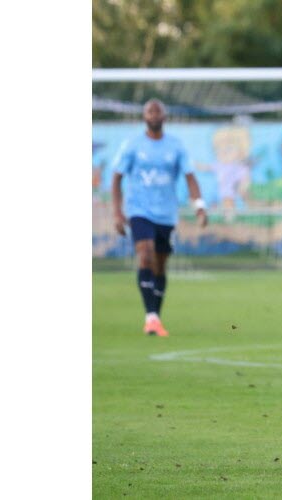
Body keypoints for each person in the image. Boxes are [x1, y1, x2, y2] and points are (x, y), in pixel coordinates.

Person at [111, 99, 208, 337]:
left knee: (160, 265)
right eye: (149, 111)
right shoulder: (132, 145)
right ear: (144, 116)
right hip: (139, 211)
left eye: (158, 111)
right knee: (145, 254)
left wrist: (199, 206)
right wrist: (117, 211)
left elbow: (190, 176)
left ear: (164, 117)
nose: (153, 115)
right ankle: (151, 317)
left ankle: (155, 315)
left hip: (166, 214)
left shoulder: (175, 146)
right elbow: (116, 177)